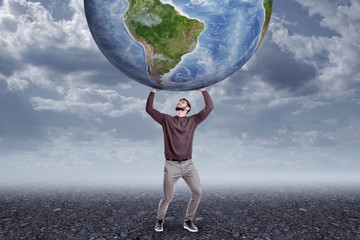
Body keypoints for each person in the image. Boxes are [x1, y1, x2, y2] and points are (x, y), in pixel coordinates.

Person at [146, 87, 214, 233]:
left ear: (188, 108)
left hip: (188, 164)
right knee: (167, 196)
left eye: (183, 102)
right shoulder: (166, 120)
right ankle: (159, 220)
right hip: (171, 165)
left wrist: (203, 90)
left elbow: (210, 107)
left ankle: (188, 221)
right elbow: (150, 110)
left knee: (198, 192)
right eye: (180, 101)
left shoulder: (193, 120)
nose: (180, 102)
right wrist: (152, 92)